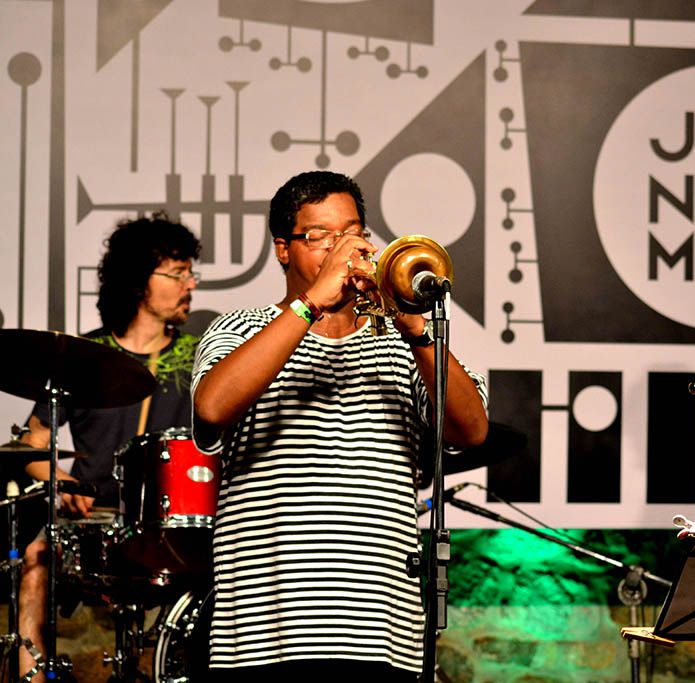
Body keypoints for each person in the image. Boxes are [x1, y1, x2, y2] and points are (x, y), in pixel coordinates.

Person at [191, 170, 488, 679]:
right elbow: (213, 407)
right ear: (283, 249)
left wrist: (415, 326)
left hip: (381, 637)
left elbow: (472, 430)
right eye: (320, 236)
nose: (342, 248)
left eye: (352, 233)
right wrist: (311, 303)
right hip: (263, 637)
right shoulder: (240, 328)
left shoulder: (403, 343)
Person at [16, 214, 201, 681]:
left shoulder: (198, 356)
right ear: (139, 281)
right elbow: (32, 445)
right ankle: (31, 676)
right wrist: (63, 482)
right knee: (35, 557)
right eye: (177, 273)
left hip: (167, 525)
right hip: (92, 520)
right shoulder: (84, 356)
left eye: (190, 273)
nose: (190, 284)